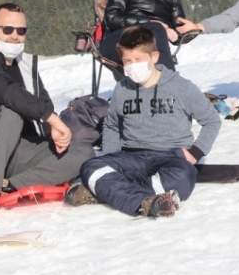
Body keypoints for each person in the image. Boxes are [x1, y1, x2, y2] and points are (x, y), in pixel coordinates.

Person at [0, 3, 95, 223]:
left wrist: (50, 130)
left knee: (84, 153)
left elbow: (42, 102)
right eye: (7, 30)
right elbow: (8, 93)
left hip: (18, 150)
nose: (15, 36)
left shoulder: (26, 65)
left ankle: (10, 185)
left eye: (21, 31)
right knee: (9, 108)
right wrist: (52, 119)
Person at [65, 26, 221, 218]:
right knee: (90, 168)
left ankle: (110, 192)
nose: (132, 66)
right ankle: (144, 201)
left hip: (170, 157)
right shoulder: (122, 89)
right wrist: (112, 156)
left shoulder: (181, 87)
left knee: (182, 179)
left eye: (138, 60)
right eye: (127, 61)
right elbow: (112, 124)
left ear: (154, 57)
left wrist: (195, 153)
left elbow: (212, 120)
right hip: (131, 156)